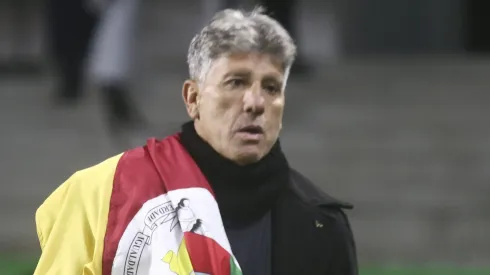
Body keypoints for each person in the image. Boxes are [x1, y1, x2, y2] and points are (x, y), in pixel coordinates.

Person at [34, 7, 357, 275]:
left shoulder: (321, 222)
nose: (255, 102)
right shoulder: (102, 194)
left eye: (271, 87)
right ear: (193, 98)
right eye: (236, 82)